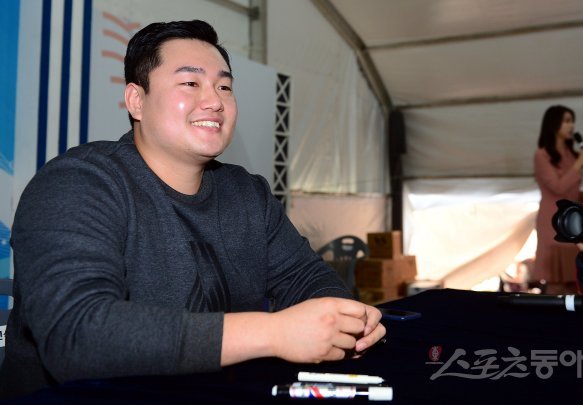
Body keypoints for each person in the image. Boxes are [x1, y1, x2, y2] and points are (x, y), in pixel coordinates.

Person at [0, 20, 386, 399]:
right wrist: (273, 333)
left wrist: (345, 320)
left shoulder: (248, 193)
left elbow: (305, 278)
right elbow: (77, 335)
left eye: (224, 86)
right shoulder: (77, 183)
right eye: (190, 83)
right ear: (136, 100)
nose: (215, 101)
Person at [533, 105, 583, 294]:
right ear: (554, 124)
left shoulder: (570, 154)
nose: (571, 126)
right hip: (553, 220)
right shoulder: (542, 155)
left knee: (574, 279)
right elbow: (557, 188)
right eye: (567, 121)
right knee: (556, 281)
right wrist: (580, 161)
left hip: (573, 219)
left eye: (572, 121)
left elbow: (568, 189)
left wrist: (582, 194)